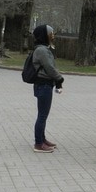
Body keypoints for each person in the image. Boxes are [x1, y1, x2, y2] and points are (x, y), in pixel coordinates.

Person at [31, 24, 64, 153]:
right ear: (44, 35)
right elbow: (50, 68)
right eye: (51, 33)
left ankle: (42, 139)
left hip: (45, 85)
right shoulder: (42, 50)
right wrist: (59, 78)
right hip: (43, 85)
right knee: (42, 115)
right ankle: (38, 143)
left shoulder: (43, 48)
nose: (53, 36)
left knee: (43, 115)